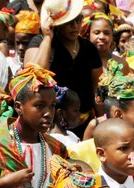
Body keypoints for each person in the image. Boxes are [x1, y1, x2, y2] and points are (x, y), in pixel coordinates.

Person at [0, 64, 69, 188]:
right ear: (18, 107)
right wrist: (5, 183)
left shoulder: (56, 148)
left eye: (52, 105)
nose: (48, 113)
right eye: (39, 106)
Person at [26, 0, 102, 138]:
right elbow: (34, 76)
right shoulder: (40, 42)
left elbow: (97, 86)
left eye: (78, 20)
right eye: (69, 22)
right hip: (49, 125)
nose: (75, 26)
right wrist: (48, 38)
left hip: (83, 123)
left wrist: (102, 120)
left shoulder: (89, 49)